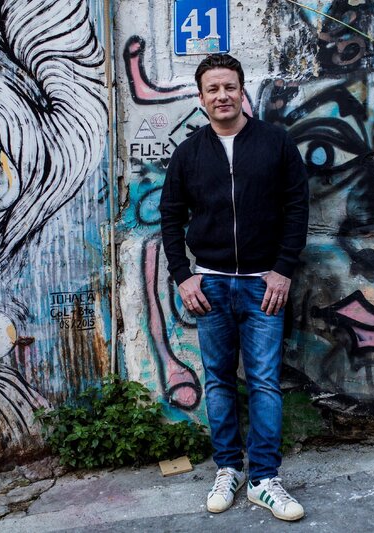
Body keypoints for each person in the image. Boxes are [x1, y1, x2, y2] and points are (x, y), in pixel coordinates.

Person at [158, 53, 309, 521]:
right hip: (211, 285)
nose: (222, 96)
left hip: (265, 284)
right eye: (212, 89)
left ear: (242, 91)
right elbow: (170, 217)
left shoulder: (275, 143)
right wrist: (184, 276)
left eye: (229, 87)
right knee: (219, 380)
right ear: (200, 98)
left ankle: (264, 479)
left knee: (264, 381)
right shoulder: (189, 153)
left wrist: (283, 269)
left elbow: (298, 207)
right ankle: (228, 468)